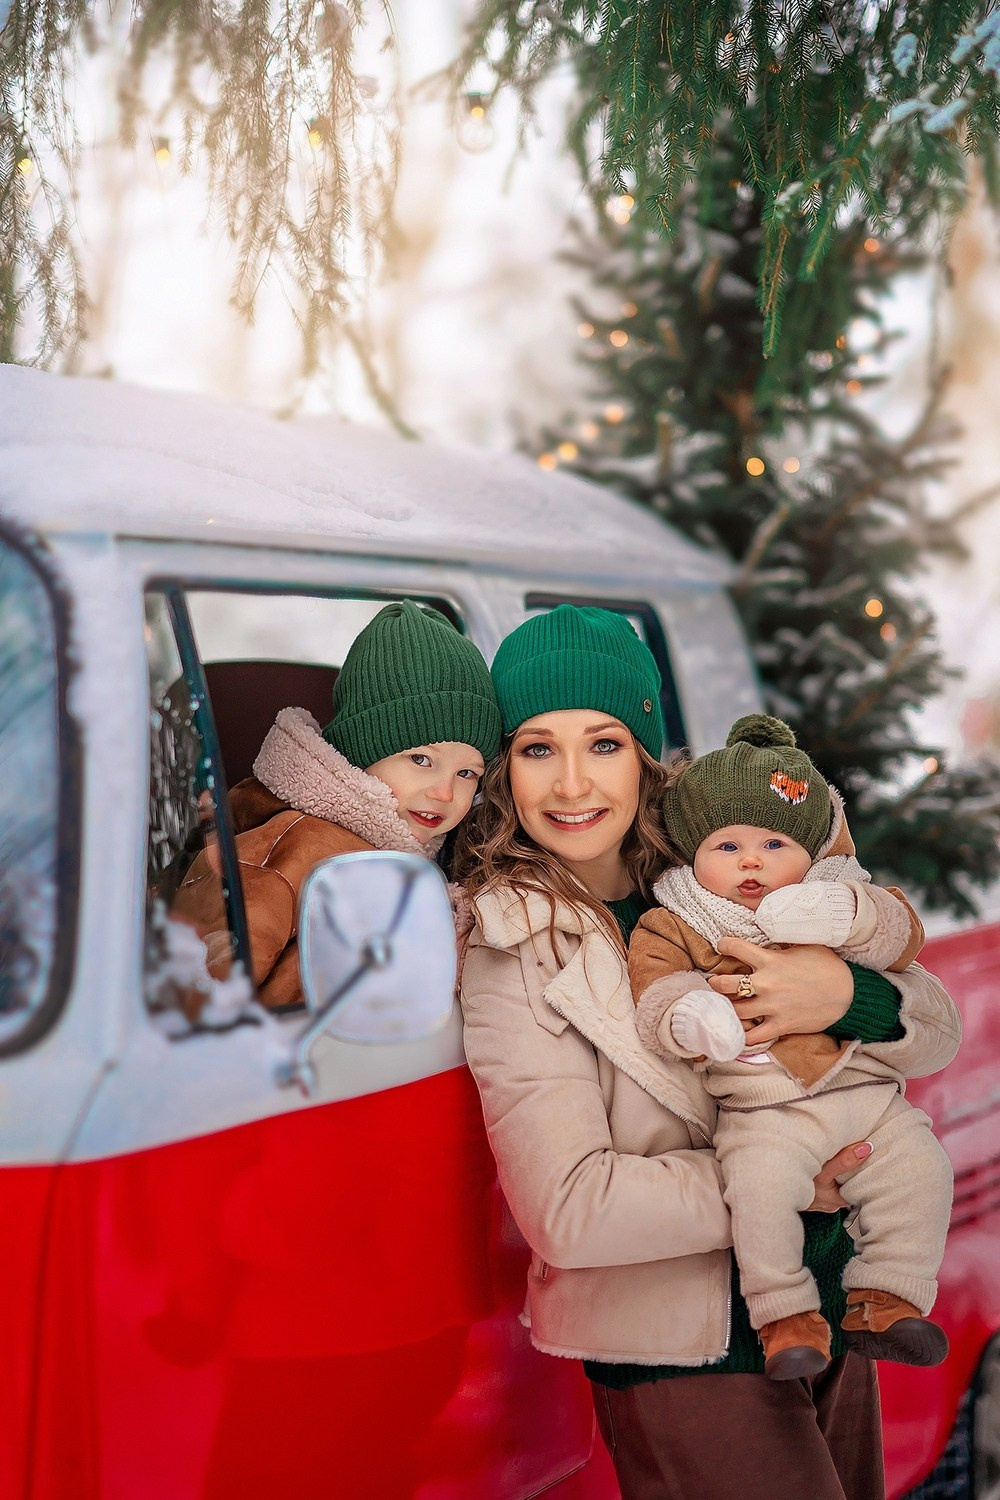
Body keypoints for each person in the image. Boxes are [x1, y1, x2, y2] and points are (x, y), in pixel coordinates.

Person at [455, 603, 962, 1500]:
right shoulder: (515, 944)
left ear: (647, 754)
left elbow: (929, 1025)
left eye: (603, 743)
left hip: (830, 1305)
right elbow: (569, 1209)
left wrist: (849, 997)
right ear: (504, 771)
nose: (572, 783)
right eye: (538, 748)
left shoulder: (720, 871)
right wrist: (794, 1184)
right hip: (686, 1351)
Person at [628, 712, 952, 1379]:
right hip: (765, 1108)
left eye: (775, 843)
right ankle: (786, 1317)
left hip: (865, 1094)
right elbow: (655, 990)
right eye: (727, 847)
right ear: (692, 854)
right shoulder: (677, 918)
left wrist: (850, 919)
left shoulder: (843, 897)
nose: (751, 860)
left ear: (811, 850)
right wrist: (690, 1014)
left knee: (921, 1168)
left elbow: (903, 937)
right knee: (759, 1190)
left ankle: (886, 1296)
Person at [174, 600, 501, 1008]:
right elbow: (208, 1001)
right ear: (363, 754)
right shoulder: (293, 849)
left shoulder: (430, 850)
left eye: (467, 773)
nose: (444, 793)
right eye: (421, 760)